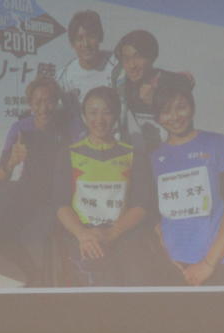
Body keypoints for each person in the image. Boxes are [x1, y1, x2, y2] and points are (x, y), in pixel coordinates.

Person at [146, 84, 224, 286]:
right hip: (176, 266)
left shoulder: (219, 144)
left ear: (192, 107)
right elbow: (156, 215)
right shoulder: (155, 158)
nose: (175, 116)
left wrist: (208, 264)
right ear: (157, 118)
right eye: (165, 111)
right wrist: (167, 254)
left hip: (219, 263)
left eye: (181, 107)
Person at [52, 86, 152, 286]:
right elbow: (60, 204)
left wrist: (111, 234)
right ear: (84, 116)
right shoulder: (69, 153)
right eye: (93, 112)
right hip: (81, 235)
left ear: (116, 115)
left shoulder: (133, 155)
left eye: (107, 112)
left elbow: (141, 205)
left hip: (121, 235)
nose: (99, 119)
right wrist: (82, 234)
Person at [0, 76, 70, 286]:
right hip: (28, 191)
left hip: (61, 195)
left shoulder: (68, 127)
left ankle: (60, 285)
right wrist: (12, 161)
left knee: (53, 238)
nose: (43, 108)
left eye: (49, 101)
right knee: (0, 235)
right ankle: (33, 276)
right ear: (30, 104)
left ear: (57, 102)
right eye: (37, 102)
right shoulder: (20, 128)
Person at [114, 29, 193, 153]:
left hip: (179, 151)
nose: (132, 65)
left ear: (151, 56)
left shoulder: (175, 82)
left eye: (138, 57)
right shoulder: (124, 86)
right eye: (126, 59)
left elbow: (185, 128)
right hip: (148, 155)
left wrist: (156, 102)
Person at [57, 10, 119, 139]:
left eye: (91, 36)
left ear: (100, 37)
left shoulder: (117, 64)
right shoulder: (64, 76)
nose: (86, 44)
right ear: (72, 44)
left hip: (118, 140)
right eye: (79, 39)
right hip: (84, 143)